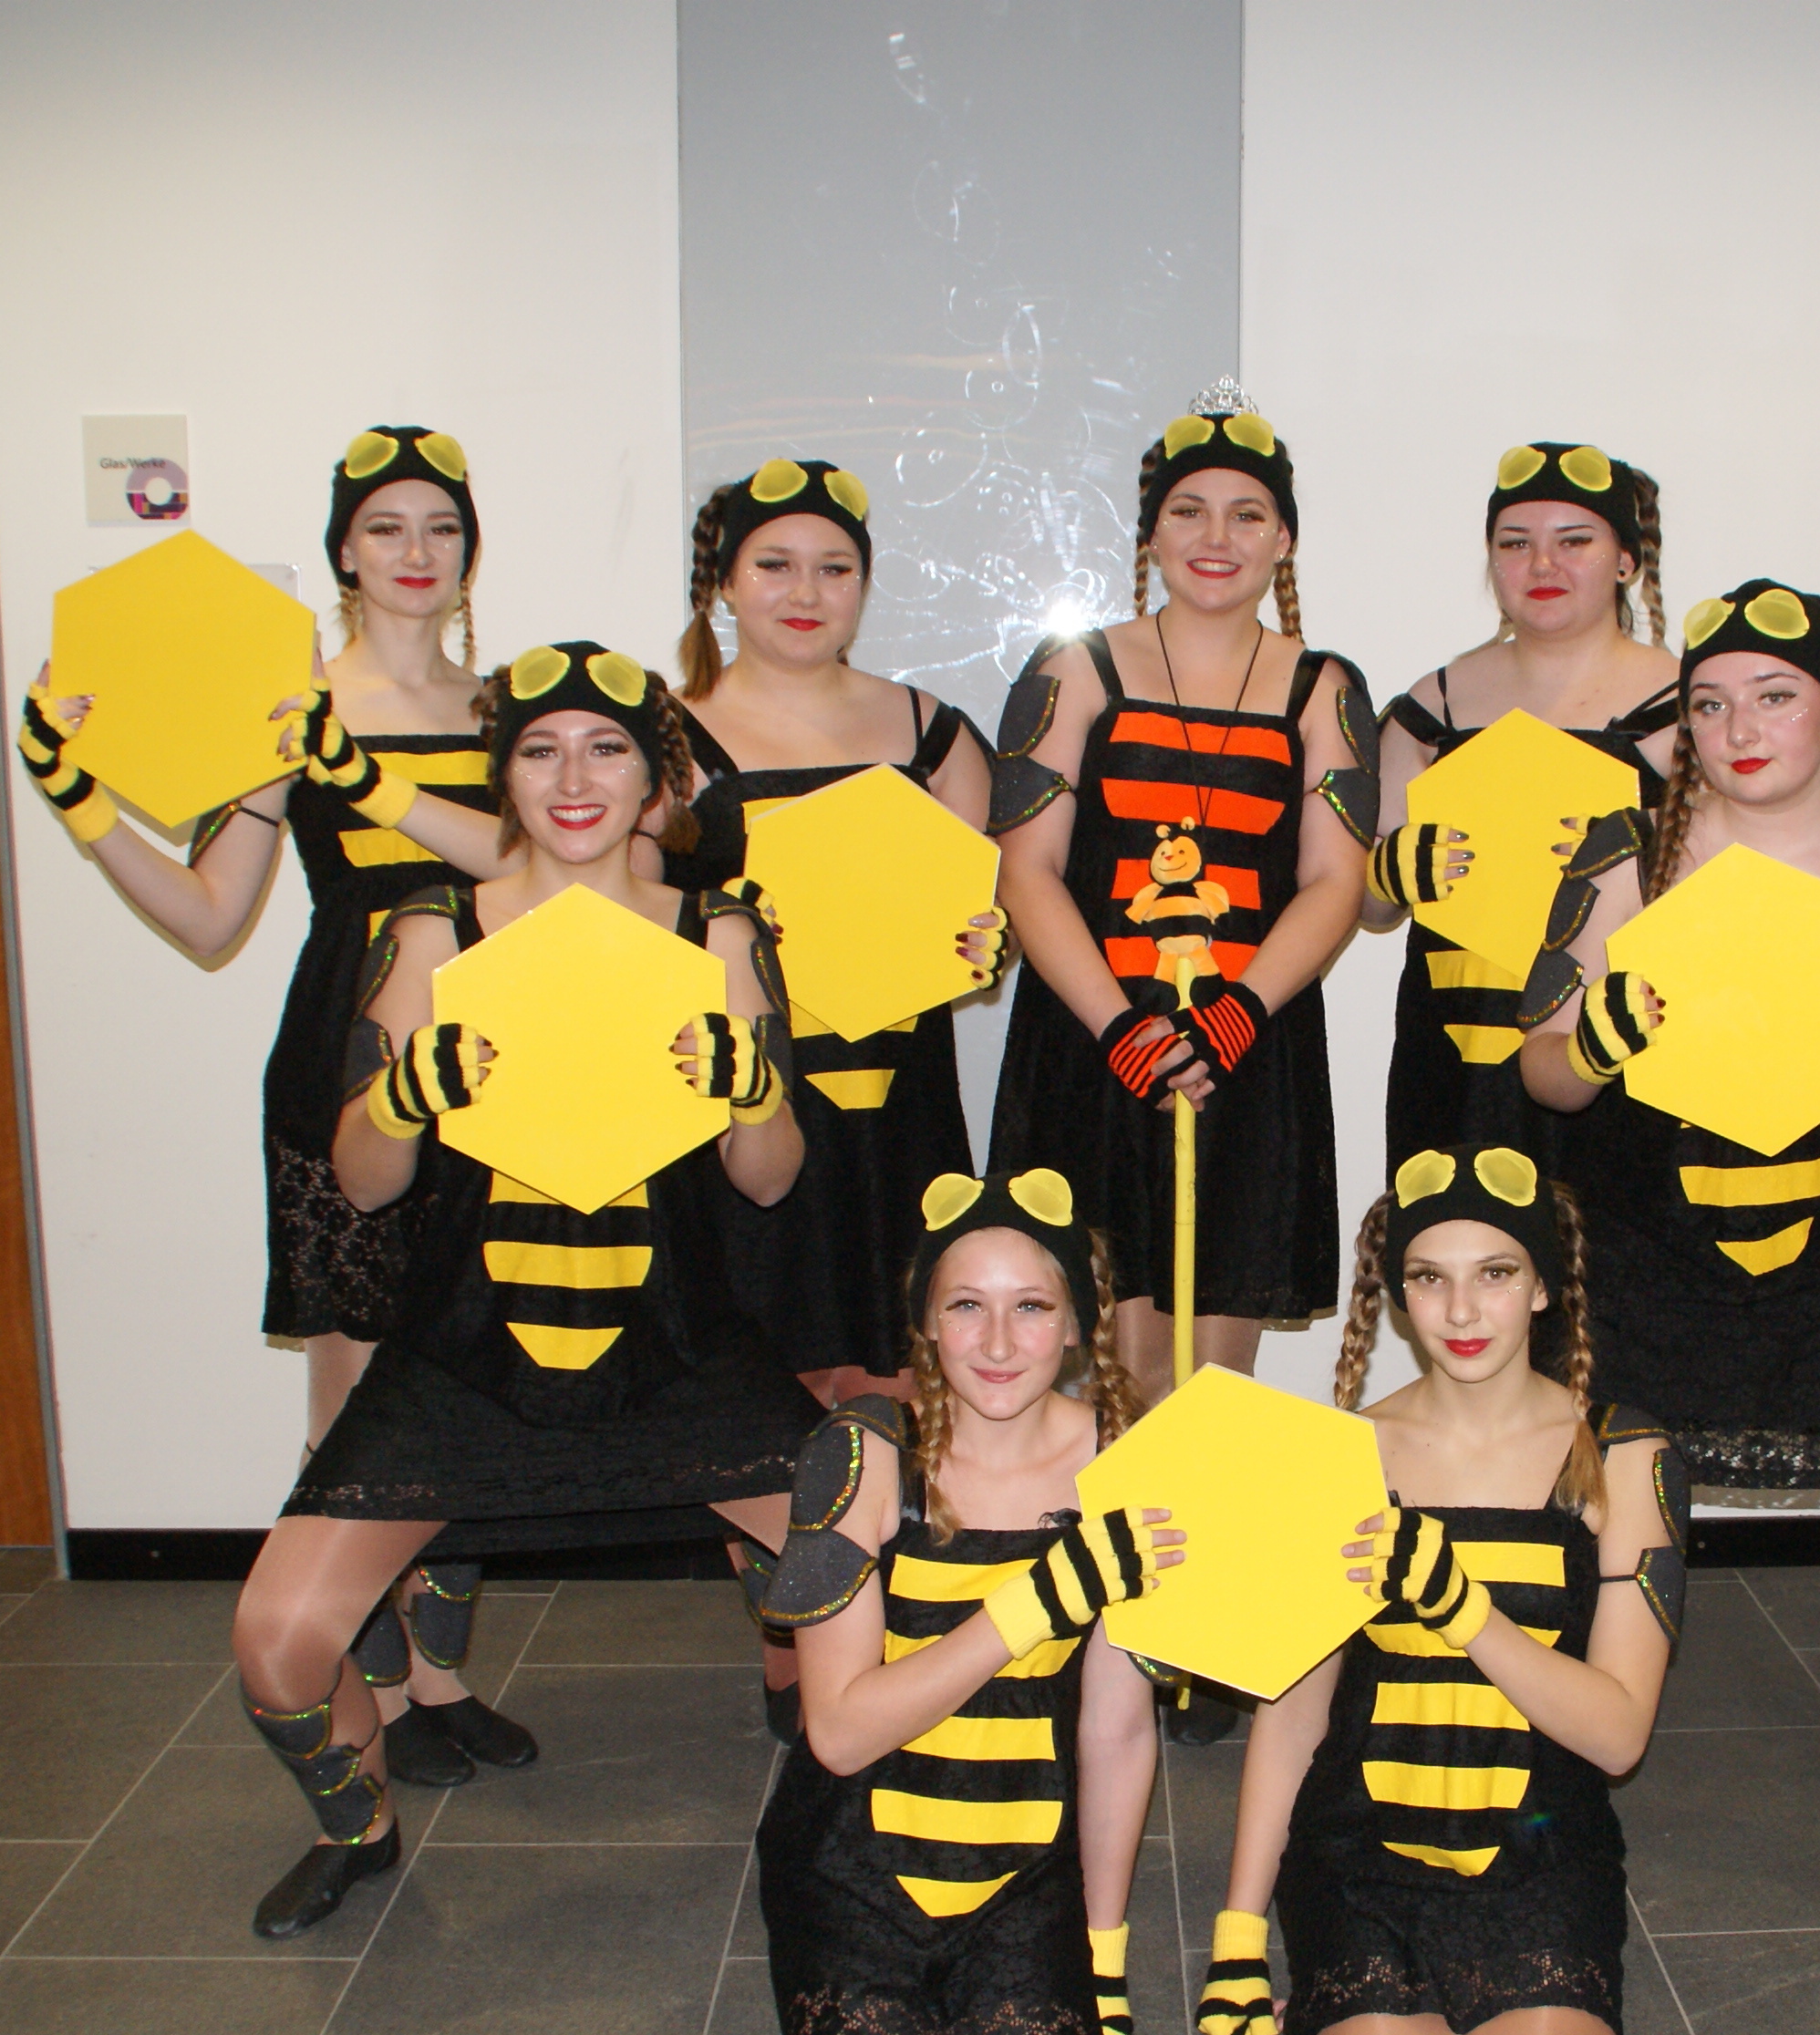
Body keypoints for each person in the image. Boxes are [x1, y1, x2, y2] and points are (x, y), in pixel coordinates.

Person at [225, 639, 818, 1938]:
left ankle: (853, 1811)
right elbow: (364, 1182)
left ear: (655, 779)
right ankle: (356, 1832)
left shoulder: (718, 929)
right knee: (277, 1642)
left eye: (607, 749)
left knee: (876, 1565)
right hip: (466, 1354)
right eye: (541, 750)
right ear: (502, 776)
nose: (575, 778)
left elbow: (770, 1179)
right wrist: (402, 1096)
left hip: (673, 1347)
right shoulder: (432, 926)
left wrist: (749, 1088)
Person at [18, 426, 528, 1791]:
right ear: (342, 552)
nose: (416, 553)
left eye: (441, 527)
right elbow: (209, 916)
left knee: (472, 1377)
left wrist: (384, 786)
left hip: (498, 1069)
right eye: (386, 528)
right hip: (344, 1062)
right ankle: (369, 1687)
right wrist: (82, 803)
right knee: (355, 1393)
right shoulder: (284, 709)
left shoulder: (508, 712)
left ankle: (444, 1679)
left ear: (470, 552)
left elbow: (543, 870)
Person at [1521, 581, 1820, 1866]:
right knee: (1583, 1522)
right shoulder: (1625, 855)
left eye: (1775, 696)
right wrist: (1596, 1041)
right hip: (1650, 1243)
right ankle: (1545, 1752)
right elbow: (1544, 1073)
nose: (1739, 728)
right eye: (1709, 703)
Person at [1196, 1145, 1677, 2035]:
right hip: (1361, 1848)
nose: (1460, 1310)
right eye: (1428, 1277)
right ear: (1398, 1295)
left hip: (1541, 1850)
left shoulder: (1622, 1455)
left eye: (1494, 1273)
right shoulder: (1341, 1454)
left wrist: (1468, 1613)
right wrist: (1238, 1932)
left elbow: (1617, 1736)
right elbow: (1293, 1712)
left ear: (1542, 1286)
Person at [664, 458, 1011, 1745]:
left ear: (867, 584)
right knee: (769, 1367)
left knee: (898, 1357)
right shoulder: (668, 736)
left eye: (834, 567)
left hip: (898, 1110)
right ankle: (793, 1639)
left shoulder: (933, 732)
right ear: (724, 580)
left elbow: (979, 912)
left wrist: (981, 947)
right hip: (748, 1105)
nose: (803, 590)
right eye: (774, 564)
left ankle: (887, 1625)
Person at [747, 1169, 1181, 2035]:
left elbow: (1118, 1731)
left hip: (1024, 1860)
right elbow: (838, 1734)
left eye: (1030, 1307)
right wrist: (1030, 1607)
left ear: (1076, 1325)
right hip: (855, 1857)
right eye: (965, 1307)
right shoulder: (860, 1455)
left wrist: (1101, 1947)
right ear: (925, 1324)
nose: (995, 1342)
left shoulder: (1123, 1464)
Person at [985, 380, 1375, 1406]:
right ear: (1152, 532)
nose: (1216, 537)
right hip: (1094, 1044)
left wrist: (1238, 1017)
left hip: (1248, 1047)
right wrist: (1123, 1031)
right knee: (1111, 1377)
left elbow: (1335, 880)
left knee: (1212, 1385)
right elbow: (1025, 869)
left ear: (1283, 538)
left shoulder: (1325, 687)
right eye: (1189, 510)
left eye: (1247, 514)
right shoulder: (1073, 669)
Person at [1367, 443, 1680, 1171]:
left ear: (1626, 560)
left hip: (1620, 1051)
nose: (1543, 565)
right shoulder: (1433, 706)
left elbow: (1759, 875)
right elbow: (1369, 908)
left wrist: (1651, 860)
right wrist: (1385, 872)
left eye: (1574, 541)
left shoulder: (1694, 705)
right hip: (1455, 1057)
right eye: (1516, 544)